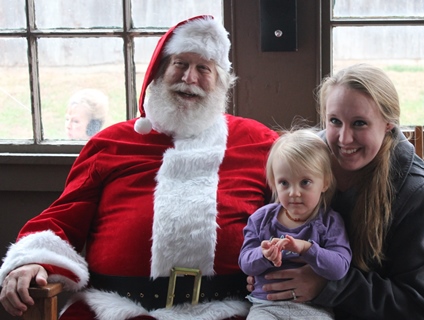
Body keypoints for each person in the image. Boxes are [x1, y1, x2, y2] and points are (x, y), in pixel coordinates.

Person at [0, 15, 278, 320]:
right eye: (180, 64)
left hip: (230, 311)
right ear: (158, 71)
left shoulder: (259, 143)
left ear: (221, 82)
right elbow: (63, 220)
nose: (189, 78)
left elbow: (298, 215)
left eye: (203, 68)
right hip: (114, 310)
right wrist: (32, 261)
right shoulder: (111, 143)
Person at [246, 64, 424, 320]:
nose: (344, 139)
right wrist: (262, 269)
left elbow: (416, 304)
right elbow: (264, 232)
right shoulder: (302, 163)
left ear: (388, 124)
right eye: (334, 121)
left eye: (360, 123)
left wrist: (327, 285)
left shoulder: (418, 193)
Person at [239, 128, 352, 320]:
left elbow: (340, 267)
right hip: (266, 307)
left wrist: (307, 249)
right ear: (274, 184)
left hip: (314, 308)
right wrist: (263, 254)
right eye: (284, 183)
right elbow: (245, 263)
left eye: (305, 182)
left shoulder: (330, 222)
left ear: (324, 183)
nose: (294, 192)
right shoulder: (261, 219)